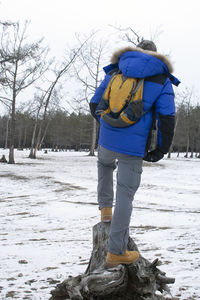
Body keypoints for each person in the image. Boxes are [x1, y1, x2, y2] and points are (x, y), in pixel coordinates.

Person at [90, 40, 180, 267]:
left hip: (107, 140)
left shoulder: (117, 69)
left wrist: (109, 127)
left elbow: (94, 104)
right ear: (155, 55)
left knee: (105, 165)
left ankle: (105, 210)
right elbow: (166, 119)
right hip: (133, 147)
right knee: (126, 195)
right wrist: (160, 149)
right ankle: (116, 252)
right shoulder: (161, 79)